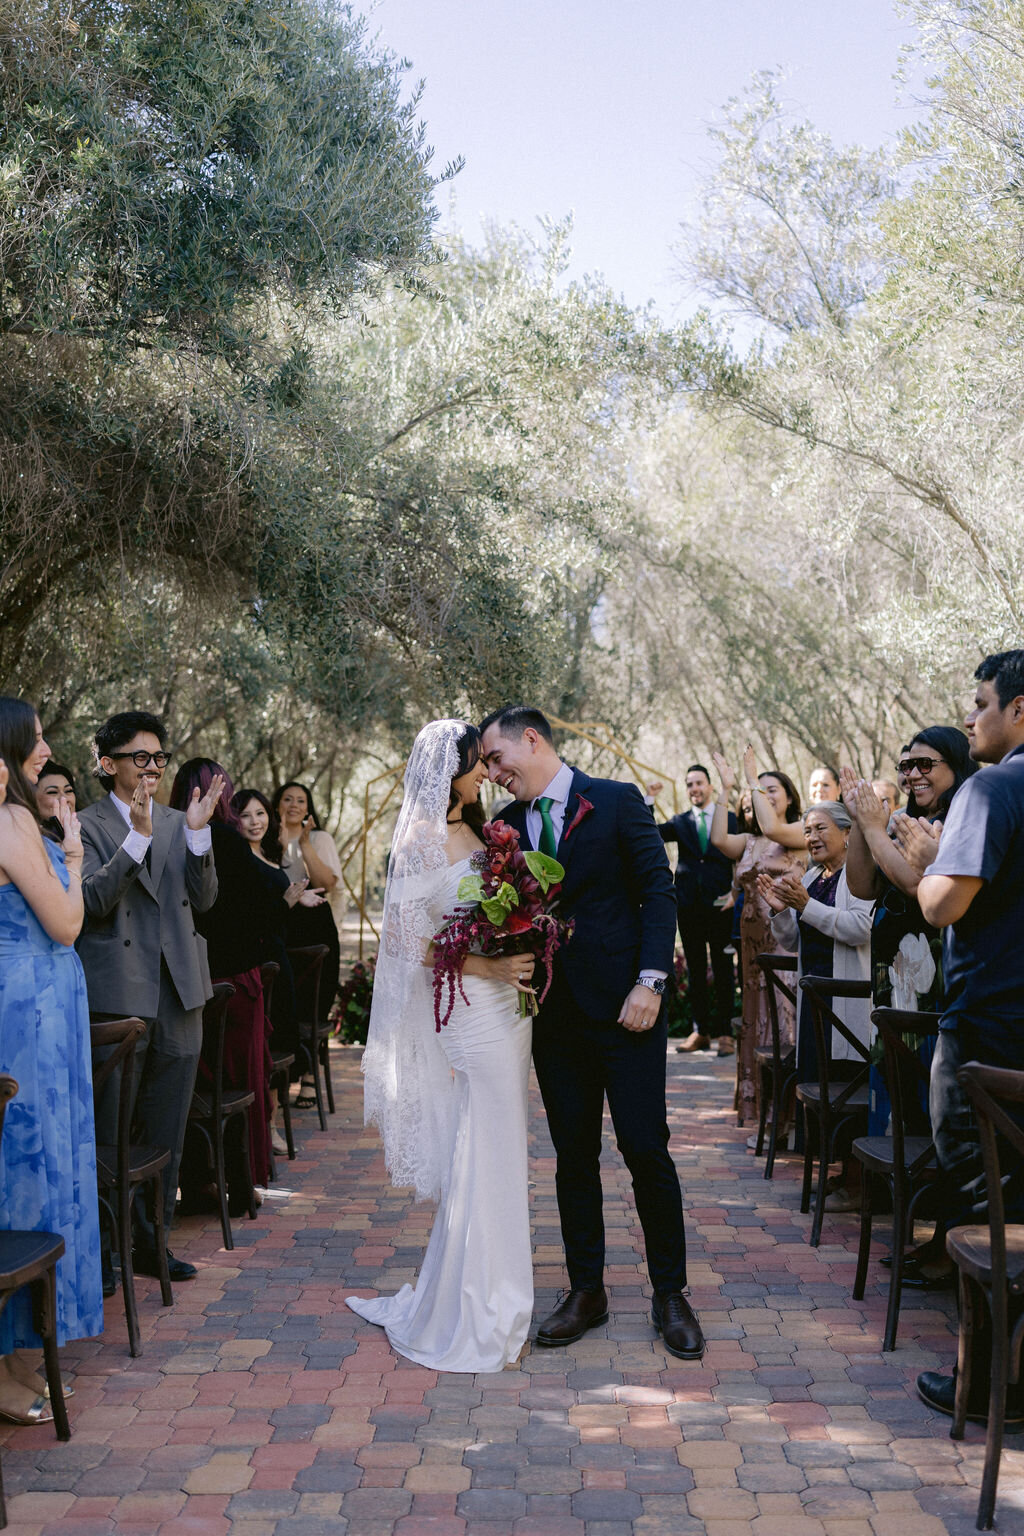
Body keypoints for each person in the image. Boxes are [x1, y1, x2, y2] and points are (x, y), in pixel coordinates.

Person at [482, 705, 703, 1361]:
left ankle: (671, 1293)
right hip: (553, 1016)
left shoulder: (616, 800)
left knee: (645, 1149)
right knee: (572, 1156)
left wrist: (651, 982)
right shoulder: (504, 825)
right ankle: (586, 1291)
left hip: (627, 1009)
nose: (492, 773)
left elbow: (658, 892)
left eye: (496, 758)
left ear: (531, 739)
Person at [346, 720, 534, 1371]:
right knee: (485, 1143)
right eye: (477, 762)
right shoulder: (420, 841)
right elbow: (405, 944)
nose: (485, 772)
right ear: (449, 771)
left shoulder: (482, 833)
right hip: (470, 1007)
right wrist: (491, 967)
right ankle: (481, 1309)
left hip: (507, 1009)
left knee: (498, 1146)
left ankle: (493, 1296)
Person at [911, 650, 1024, 1423]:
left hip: (988, 1031)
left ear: (1019, 709)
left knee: (984, 1200)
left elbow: (942, 905)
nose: (970, 716)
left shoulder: (990, 789)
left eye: (981, 702)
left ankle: (987, 1386)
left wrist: (928, 862)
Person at [77, 711, 221, 1283]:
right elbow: (92, 902)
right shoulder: (82, 825)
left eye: (160, 757)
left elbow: (204, 900)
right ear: (107, 763)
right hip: (117, 993)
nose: (154, 767)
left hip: (181, 990)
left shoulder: (179, 820)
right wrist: (135, 838)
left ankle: (153, 1241)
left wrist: (198, 837)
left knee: (168, 1128)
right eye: (141, 757)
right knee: (111, 1129)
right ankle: (106, 1252)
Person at [0, 699, 102, 1423]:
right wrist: (71, 857)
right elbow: (65, 924)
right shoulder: (10, 819)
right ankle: (8, 1363)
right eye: (34, 738)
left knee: (27, 1165)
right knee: (28, 1168)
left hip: (33, 1006)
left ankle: (22, 1354)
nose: (45, 749)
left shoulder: (14, 817)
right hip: (27, 1012)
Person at [170, 760, 288, 1203]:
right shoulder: (231, 843)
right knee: (240, 1084)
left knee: (194, 1088)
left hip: (186, 979)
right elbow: (266, 909)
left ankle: (197, 1182)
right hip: (235, 981)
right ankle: (240, 1184)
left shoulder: (168, 837)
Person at [758, 801, 874, 1209]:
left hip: (847, 1005)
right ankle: (840, 1174)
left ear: (847, 833)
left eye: (821, 828)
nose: (811, 837)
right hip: (816, 1004)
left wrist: (806, 906)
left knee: (847, 1086)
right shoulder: (811, 876)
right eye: (807, 830)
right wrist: (781, 912)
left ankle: (858, 1184)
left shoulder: (860, 876)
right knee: (821, 1088)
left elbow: (861, 928)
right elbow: (794, 940)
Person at [708, 749, 805, 1128]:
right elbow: (719, 839)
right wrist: (725, 788)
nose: (762, 794)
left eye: (771, 789)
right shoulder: (749, 841)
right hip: (750, 944)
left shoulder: (800, 832)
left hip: (784, 939)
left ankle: (785, 1116)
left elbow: (772, 828)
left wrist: (752, 780)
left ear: (790, 797)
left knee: (781, 1016)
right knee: (755, 1016)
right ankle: (759, 1110)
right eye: (759, 790)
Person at [232, 788, 322, 1149]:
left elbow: (274, 905)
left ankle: (270, 1124)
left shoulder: (269, 853)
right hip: (258, 963)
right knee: (265, 1046)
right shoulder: (240, 859)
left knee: (282, 1041)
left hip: (278, 960)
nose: (255, 822)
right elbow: (255, 915)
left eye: (260, 814)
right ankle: (265, 1128)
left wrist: (298, 898)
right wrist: (286, 902)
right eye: (245, 815)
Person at [648, 764, 737, 1057]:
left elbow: (742, 858)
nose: (694, 789)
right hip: (688, 906)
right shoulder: (680, 821)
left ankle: (726, 1033)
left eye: (699, 783)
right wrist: (649, 800)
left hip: (722, 904)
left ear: (710, 786)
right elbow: (651, 833)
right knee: (696, 970)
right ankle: (700, 1031)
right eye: (689, 784)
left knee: (723, 970)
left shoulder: (730, 819)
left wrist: (736, 892)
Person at [272, 781, 342, 1105]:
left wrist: (303, 842)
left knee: (311, 1003)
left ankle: (311, 1074)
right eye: (287, 799)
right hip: (280, 928)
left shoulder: (319, 838)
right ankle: (280, 1077)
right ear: (276, 805)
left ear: (308, 807)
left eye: (301, 800)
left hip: (315, 928)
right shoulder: (267, 837)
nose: (294, 805)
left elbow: (326, 883)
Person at [34, 761, 76, 839]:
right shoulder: (27, 839)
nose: (64, 799)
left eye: (68, 791)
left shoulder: (87, 832)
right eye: (53, 792)